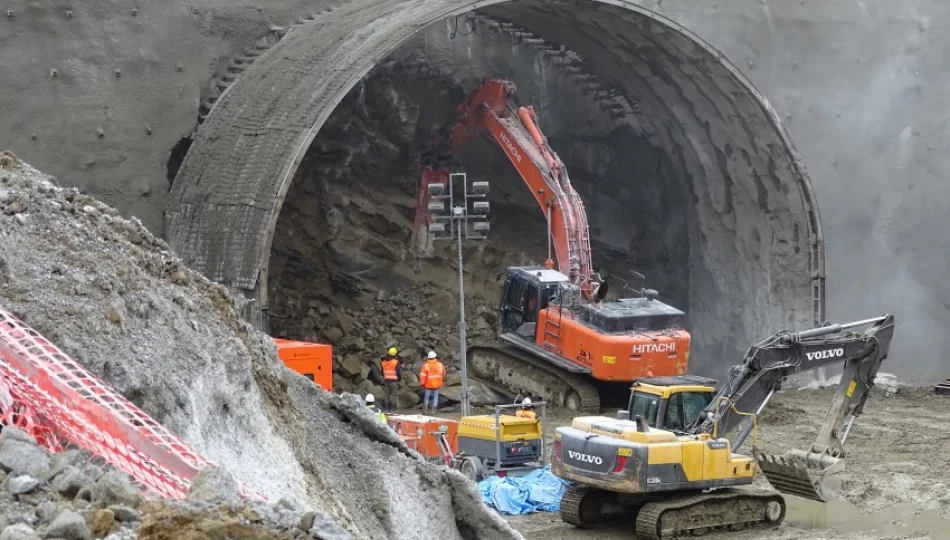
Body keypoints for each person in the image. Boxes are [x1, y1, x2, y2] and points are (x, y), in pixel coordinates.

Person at [419, 350, 446, 415]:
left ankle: (424, 411)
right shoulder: (440, 365)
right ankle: (433, 411)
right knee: (435, 397)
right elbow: (444, 373)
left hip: (428, 384)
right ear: (435, 357)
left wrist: (422, 383)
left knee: (427, 397)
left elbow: (423, 376)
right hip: (437, 384)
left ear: (428, 358)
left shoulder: (425, 365)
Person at [381, 347, 402, 412]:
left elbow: (382, 372)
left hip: (386, 381)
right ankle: (393, 410)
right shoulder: (395, 362)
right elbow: (398, 373)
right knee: (393, 395)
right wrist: (399, 379)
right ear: (394, 354)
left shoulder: (383, 362)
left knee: (386, 395)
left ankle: (387, 410)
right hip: (393, 381)